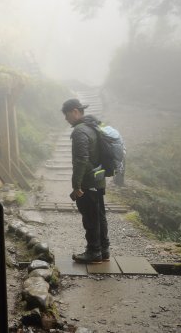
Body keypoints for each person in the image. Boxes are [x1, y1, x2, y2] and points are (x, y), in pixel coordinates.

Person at [61, 98, 110, 264]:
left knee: (90, 216)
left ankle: (93, 252)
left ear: (75, 111)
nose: (66, 119)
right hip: (98, 178)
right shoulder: (93, 126)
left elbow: (81, 159)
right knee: (99, 215)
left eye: (67, 115)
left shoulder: (80, 131)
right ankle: (104, 250)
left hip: (88, 181)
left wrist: (76, 185)